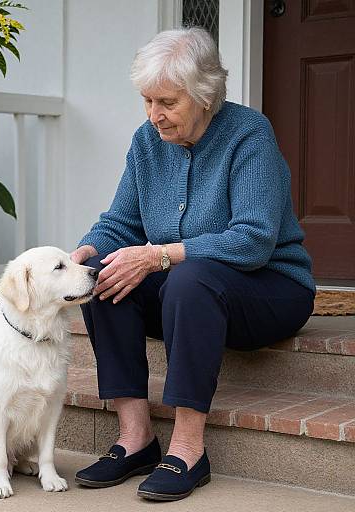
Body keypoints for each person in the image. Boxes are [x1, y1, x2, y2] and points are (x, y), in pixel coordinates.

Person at [70, 27, 315, 502]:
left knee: (188, 277)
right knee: (105, 274)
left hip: (269, 288)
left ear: (205, 95)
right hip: (190, 289)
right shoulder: (147, 142)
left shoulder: (249, 135)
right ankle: (135, 438)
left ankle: (188, 448)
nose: (154, 115)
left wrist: (162, 254)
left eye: (167, 102)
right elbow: (121, 222)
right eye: (147, 101)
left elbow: (254, 240)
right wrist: (81, 256)